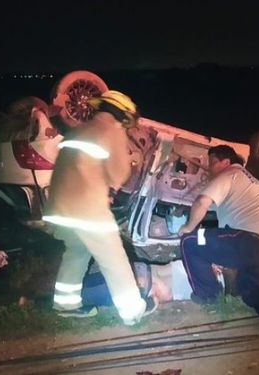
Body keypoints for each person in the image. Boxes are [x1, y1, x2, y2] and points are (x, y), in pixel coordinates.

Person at [42, 90, 156, 326]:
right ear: (123, 114)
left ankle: (65, 304)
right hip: (87, 210)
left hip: (59, 208)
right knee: (114, 257)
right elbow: (119, 171)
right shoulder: (112, 131)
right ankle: (133, 311)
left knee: (76, 252)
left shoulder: (78, 129)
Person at [177, 145, 259, 319]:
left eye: (213, 162)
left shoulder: (230, 174)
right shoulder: (254, 182)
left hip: (252, 243)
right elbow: (220, 208)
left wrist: (188, 227)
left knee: (192, 240)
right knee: (248, 292)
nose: (209, 168)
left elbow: (202, 202)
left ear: (226, 162)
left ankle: (209, 297)